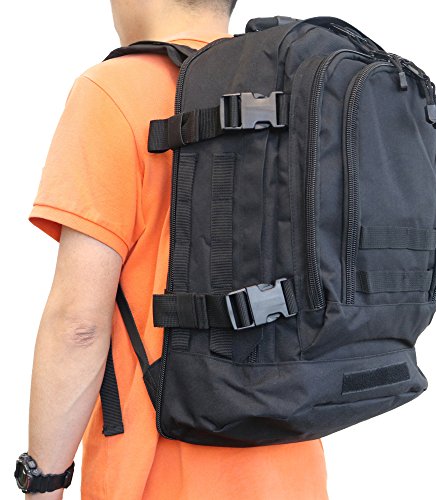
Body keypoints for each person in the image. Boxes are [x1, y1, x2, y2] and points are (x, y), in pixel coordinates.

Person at [23, 0, 329, 498]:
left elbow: (77, 325)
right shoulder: (291, 92)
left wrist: (43, 481)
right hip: (292, 464)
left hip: (158, 472)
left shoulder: (113, 90)